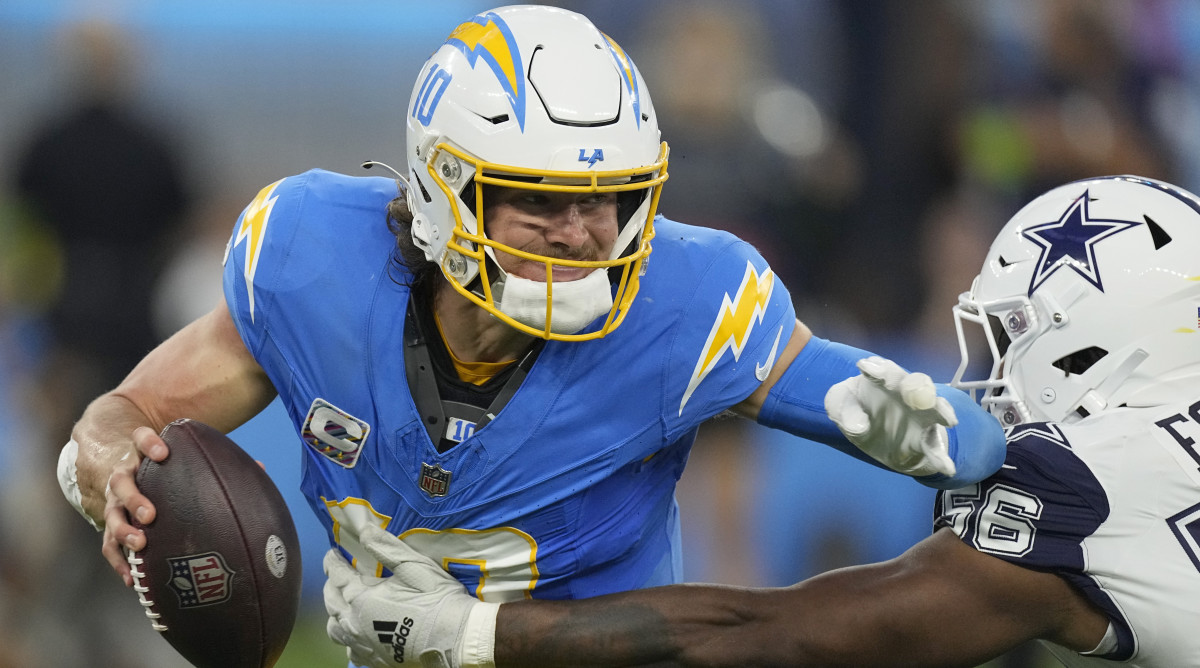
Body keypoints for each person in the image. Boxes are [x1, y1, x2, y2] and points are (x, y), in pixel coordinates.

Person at [56, 5, 1004, 666]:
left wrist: (938, 431)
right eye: (541, 201)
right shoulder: (312, 262)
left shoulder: (687, 302)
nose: (582, 235)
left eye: (608, 203)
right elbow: (128, 412)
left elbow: (923, 428)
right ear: (442, 186)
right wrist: (104, 461)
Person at [333, 174, 1200, 668]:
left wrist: (478, 633)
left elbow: (793, 642)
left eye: (1016, 338)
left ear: (1106, 345)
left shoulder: (1102, 488)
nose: (995, 375)